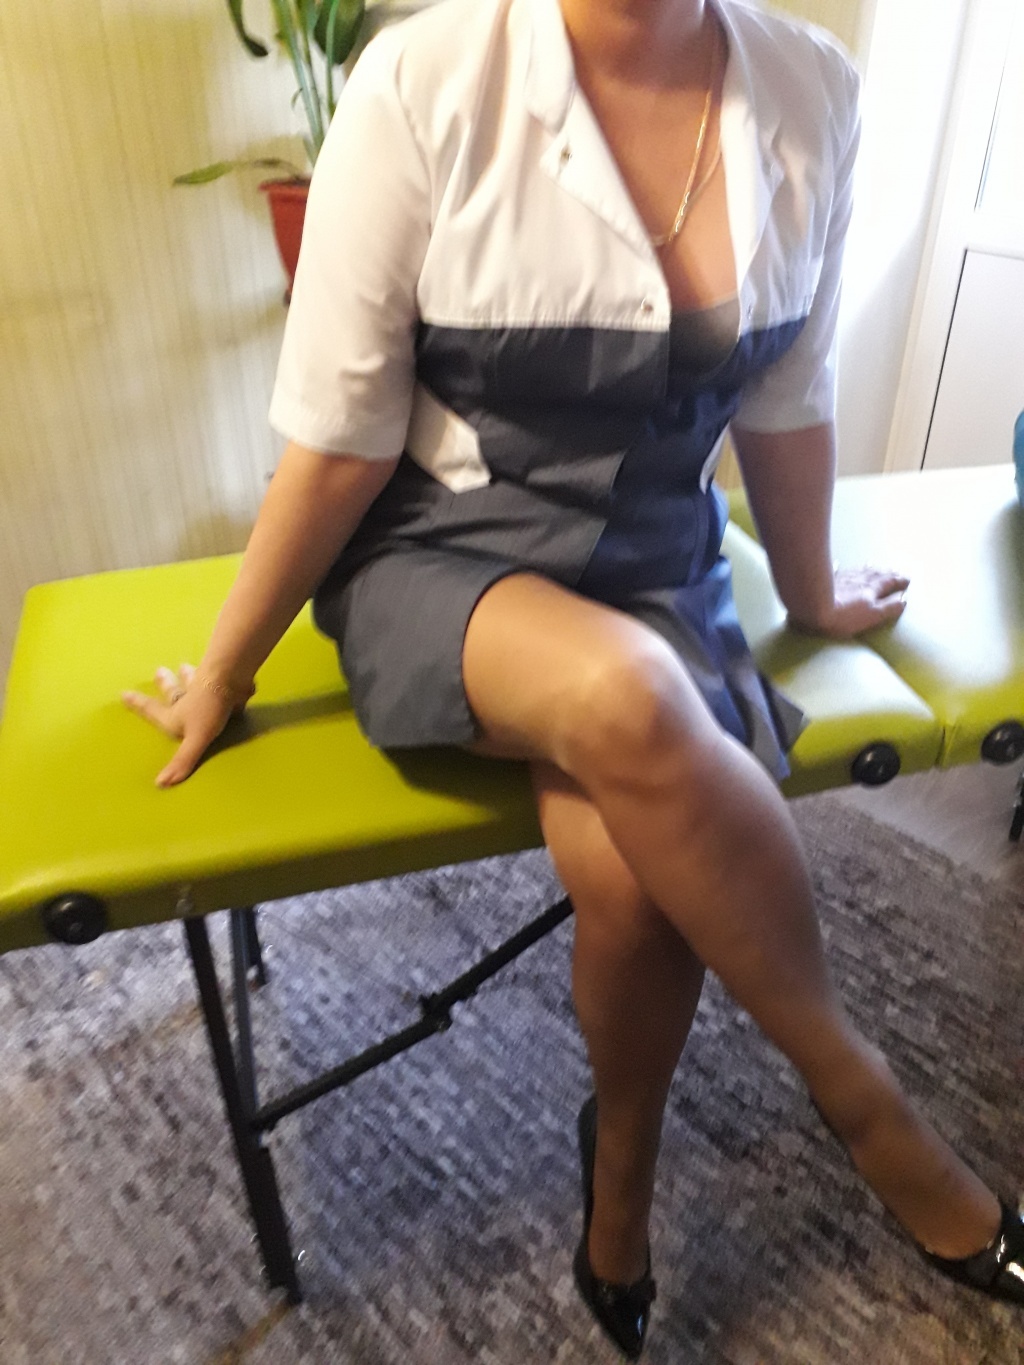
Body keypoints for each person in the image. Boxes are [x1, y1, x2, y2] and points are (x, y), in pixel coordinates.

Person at [124, 0, 1024, 1356]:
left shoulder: (814, 89)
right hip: (444, 552)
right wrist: (226, 667)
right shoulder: (420, 81)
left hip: (658, 556)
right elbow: (340, 441)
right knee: (631, 697)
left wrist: (814, 587)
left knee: (639, 884)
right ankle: (874, 1112)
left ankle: (621, 1184)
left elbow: (789, 395)